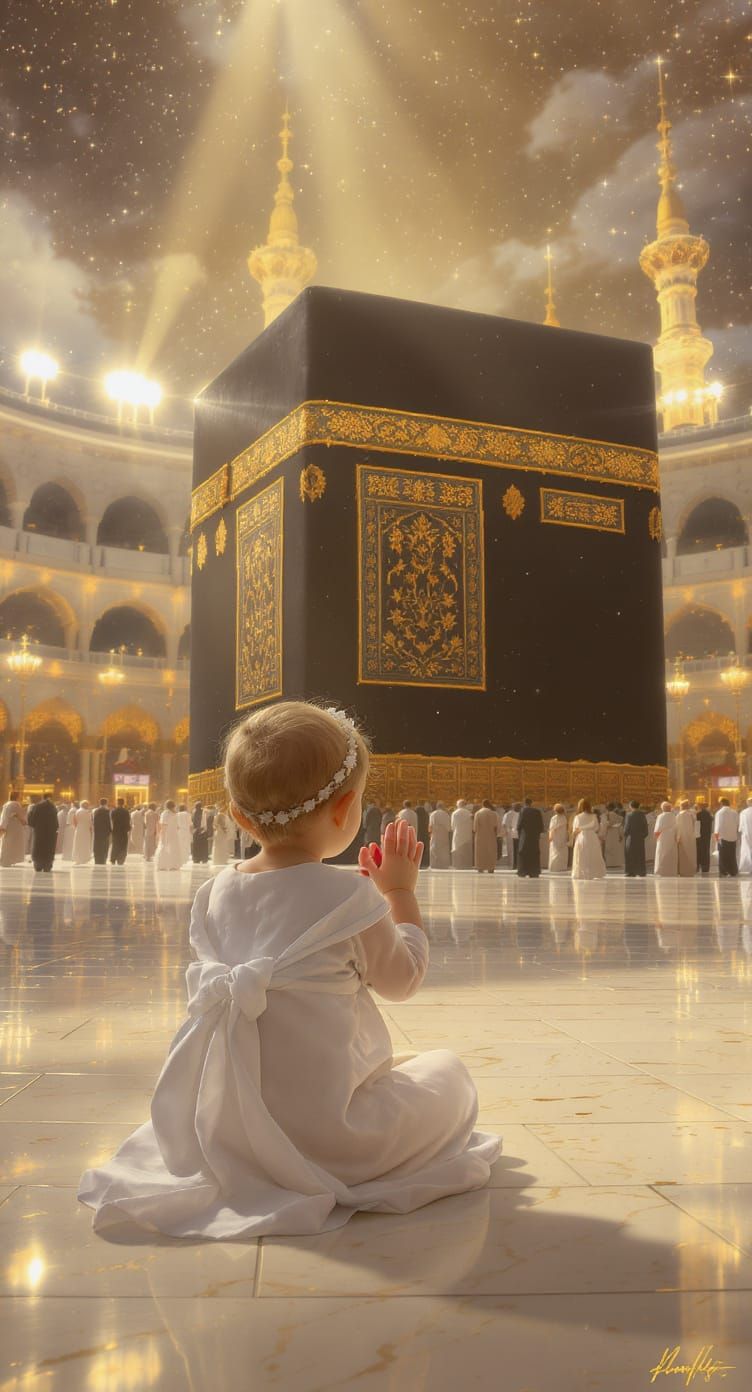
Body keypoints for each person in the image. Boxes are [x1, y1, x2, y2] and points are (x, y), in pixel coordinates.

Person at [78, 700, 499, 1239]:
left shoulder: (214, 894)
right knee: (448, 1073)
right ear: (346, 808)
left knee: (407, 1066)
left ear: (238, 815)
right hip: (334, 1142)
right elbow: (402, 980)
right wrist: (397, 893)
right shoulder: (351, 896)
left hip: (226, 1130)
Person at [571, 798, 606, 880]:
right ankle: (593, 873)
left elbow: (575, 830)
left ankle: (582, 873)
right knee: (593, 855)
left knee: (582, 855)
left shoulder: (578, 817)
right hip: (592, 837)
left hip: (582, 837)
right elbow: (597, 828)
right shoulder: (594, 816)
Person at [27, 793, 59, 872]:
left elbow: (31, 821)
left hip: (39, 831)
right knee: (49, 847)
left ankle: (38, 865)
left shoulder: (36, 807)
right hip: (51, 832)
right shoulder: (53, 807)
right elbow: (56, 822)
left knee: (38, 847)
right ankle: (47, 865)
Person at [516, 797, 544, 878]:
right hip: (534, 837)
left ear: (524, 803)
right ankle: (534, 871)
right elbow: (541, 826)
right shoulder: (537, 811)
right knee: (534, 853)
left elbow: (519, 825)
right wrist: (538, 834)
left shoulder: (523, 811)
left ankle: (523, 871)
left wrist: (519, 835)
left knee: (523, 853)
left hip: (525, 836)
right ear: (531, 803)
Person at [714, 797, 739, 878]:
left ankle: (724, 871)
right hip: (733, 837)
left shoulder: (719, 813)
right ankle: (733, 871)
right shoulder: (734, 812)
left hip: (723, 837)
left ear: (721, 804)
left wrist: (716, 836)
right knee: (732, 855)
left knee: (723, 855)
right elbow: (737, 824)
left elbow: (718, 825)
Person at [0, 794, 27, 866]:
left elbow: (4, 816)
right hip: (14, 828)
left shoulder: (6, 804)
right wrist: (24, 822)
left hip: (8, 826)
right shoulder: (16, 804)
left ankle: (5, 860)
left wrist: (3, 826)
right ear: (17, 797)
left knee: (7, 844)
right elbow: (20, 815)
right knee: (13, 844)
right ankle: (9, 860)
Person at [155, 800, 182, 871]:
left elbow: (164, 825)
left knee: (164, 847)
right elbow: (178, 826)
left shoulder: (165, 813)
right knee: (173, 848)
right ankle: (174, 865)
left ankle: (163, 865)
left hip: (167, 833)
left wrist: (161, 834)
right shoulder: (175, 814)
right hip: (174, 833)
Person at [473, 799, 499, 873]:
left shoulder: (478, 813)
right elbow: (495, 826)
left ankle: (480, 867)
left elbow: (475, 828)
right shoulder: (493, 813)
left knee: (480, 852)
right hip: (491, 835)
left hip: (480, 836)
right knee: (490, 851)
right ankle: (491, 867)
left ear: (482, 804)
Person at [623, 801, 648, 877]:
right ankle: (641, 871)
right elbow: (645, 826)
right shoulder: (642, 814)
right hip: (640, 838)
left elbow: (627, 827)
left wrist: (625, 834)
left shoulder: (629, 815)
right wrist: (643, 835)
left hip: (631, 837)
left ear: (631, 806)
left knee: (630, 854)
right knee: (640, 854)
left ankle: (631, 871)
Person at [653, 801, 678, 877]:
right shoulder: (674, 816)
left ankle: (661, 870)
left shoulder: (660, 816)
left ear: (662, 808)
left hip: (663, 837)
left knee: (661, 853)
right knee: (671, 853)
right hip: (672, 836)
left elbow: (657, 829)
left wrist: (656, 837)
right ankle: (671, 870)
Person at [599, 803, 625, 870]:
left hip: (609, 833)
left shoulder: (605, 815)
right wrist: (621, 835)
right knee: (616, 847)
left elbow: (603, 826)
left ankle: (609, 863)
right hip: (616, 832)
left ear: (606, 808)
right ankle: (616, 863)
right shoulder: (618, 816)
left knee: (609, 847)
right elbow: (620, 826)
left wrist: (602, 835)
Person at [676, 798, 697, 877]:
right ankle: (691, 870)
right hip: (691, 837)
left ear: (682, 806)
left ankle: (683, 870)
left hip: (682, 837)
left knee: (683, 854)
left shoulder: (680, 815)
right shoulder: (692, 814)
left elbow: (677, 827)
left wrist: (677, 837)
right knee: (691, 853)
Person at [450, 799, 473, 869]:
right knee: (466, 850)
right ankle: (467, 864)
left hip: (458, 834)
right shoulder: (469, 813)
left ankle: (458, 865)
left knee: (458, 850)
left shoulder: (455, 813)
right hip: (467, 834)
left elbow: (452, 825)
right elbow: (472, 824)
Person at [428, 801, 452, 868]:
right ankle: (444, 864)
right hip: (443, 833)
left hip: (435, 833)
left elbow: (430, 825)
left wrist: (430, 832)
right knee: (444, 849)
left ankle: (434, 864)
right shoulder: (445, 814)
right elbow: (449, 827)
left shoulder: (433, 814)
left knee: (434, 847)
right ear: (443, 806)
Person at [547, 803, 569, 873]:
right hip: (559, 836)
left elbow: (552, 828)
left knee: (556, 851)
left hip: (558, 836)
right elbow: (552, 828)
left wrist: (550, 835)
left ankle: (555, 867)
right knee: (558, 851)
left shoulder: (557, 818)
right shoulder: (562, 818)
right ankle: (559, 867)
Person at [110, 798, 131, 865]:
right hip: (123, 831)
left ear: (117, 803)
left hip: (115, 830)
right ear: (123, 803)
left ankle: (113, 859)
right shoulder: (126, 811)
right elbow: (128, 821)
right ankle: (121, 859)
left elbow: (111, 821)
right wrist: (128, 828)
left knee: (115, 844)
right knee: (123, 845)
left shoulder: (113, 811)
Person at [695, 799, 713, 874]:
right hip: (707, 835)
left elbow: (696, 826)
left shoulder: (697, 814)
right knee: (706, 851)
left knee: (698, 851)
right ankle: (705, 868)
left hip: (699, 836)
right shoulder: (709, 814)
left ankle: (698, 866)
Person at [92, 799, 111, 865]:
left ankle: (97, 859)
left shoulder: (95, 811)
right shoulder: (107, 811)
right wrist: (110, 831)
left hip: (97, 831)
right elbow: (109, 822)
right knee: (105, 846)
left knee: (97, 845)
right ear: (106, 803)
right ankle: (103, 859)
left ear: (99, 803)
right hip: (105, 831)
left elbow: (94, 821)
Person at [738, 797, 752, 875]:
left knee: (747, 850)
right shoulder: (743, 812)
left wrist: (740, 832)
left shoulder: (743, 812)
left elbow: (741, 826)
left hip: (746, 834)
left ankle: (748, 867)